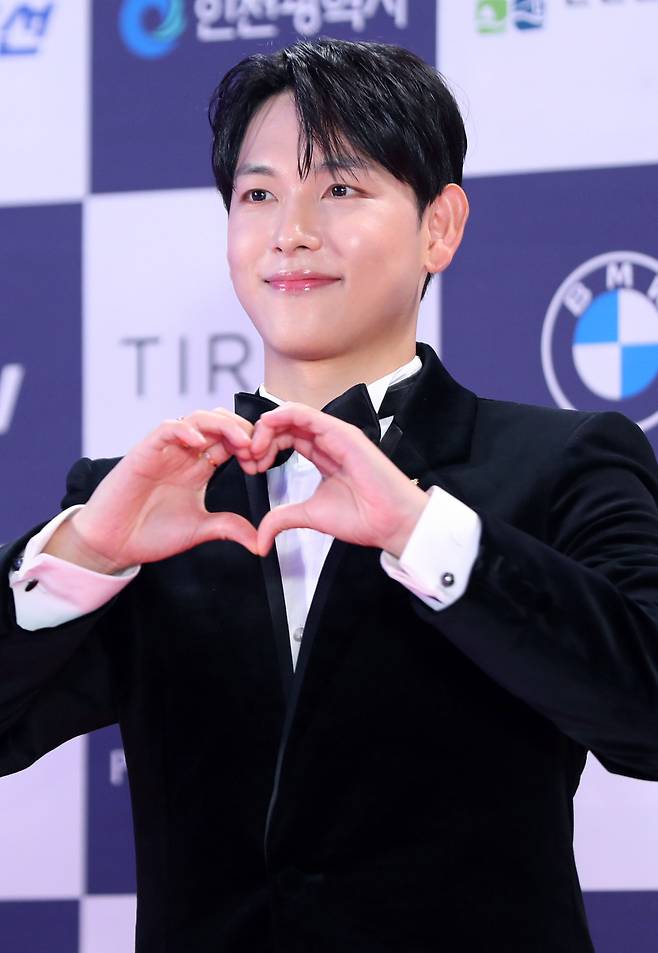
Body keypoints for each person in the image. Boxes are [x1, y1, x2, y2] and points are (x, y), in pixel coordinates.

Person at [2, 37, 658, 953]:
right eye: (259, 193)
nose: (292, 231)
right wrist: (82, 557)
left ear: (441, 224)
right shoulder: (145, 503)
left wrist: (423, 533)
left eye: (341, 189)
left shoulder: (565, 461)